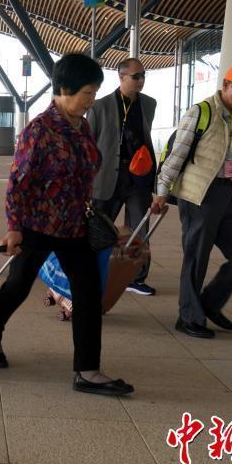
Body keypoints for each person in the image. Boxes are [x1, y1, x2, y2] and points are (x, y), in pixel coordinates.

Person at [0, 53, 134, 397]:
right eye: (86, 94)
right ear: (63, 89)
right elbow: (18, 182)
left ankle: (87, 370)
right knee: (17, 286)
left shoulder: (82, 126)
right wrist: (14, 227)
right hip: (38, 224)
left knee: (89, 292)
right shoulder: (39, 130)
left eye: (94, 93)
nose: (91, 101)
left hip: (75, 226)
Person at [151, 61, 232, 339]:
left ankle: (210, 304)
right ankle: (188, 316)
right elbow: (176, 154)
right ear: (226, 85)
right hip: (199, 196)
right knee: (196, 257)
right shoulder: (200, 112)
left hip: (230, 195)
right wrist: (162, 193)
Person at [87, 57, 158, 296]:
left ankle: (136, 278)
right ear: (121, 77)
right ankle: (92, 274)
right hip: (107, 177)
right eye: (135, 76)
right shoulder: (100, 106)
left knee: (140, 229)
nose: (141, 80)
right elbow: (90, 146)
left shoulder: (149, 104)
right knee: (100, 230)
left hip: (138, 178)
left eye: (143, 75)